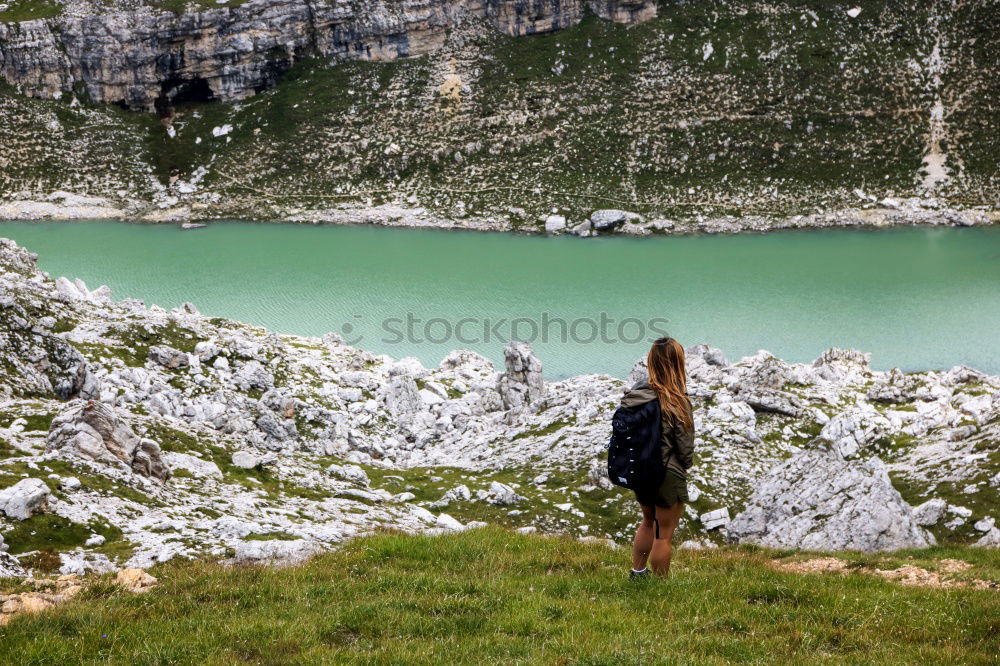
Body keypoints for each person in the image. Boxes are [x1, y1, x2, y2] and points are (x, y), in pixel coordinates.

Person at [622, 337, 695, 578]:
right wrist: (684, 466)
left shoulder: (636, 396)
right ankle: (660, 583)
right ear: (678, 363)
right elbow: (684, 447)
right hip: (667, 473)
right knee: (663, 532)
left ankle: (637, 571)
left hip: (641, 470)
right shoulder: (677, 400)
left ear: (652, 362)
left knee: (646, 522)